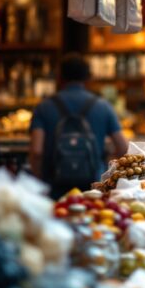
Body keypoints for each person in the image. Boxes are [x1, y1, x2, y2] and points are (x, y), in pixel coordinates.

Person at [30, 53, 128, 198]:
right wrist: (106, 168)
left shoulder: (44, 107)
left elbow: (37, 151)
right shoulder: (103, 106)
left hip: (54, 188)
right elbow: (123, 148)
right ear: (88, 77)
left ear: (59, 77)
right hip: (94, 188)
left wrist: (39, 182)